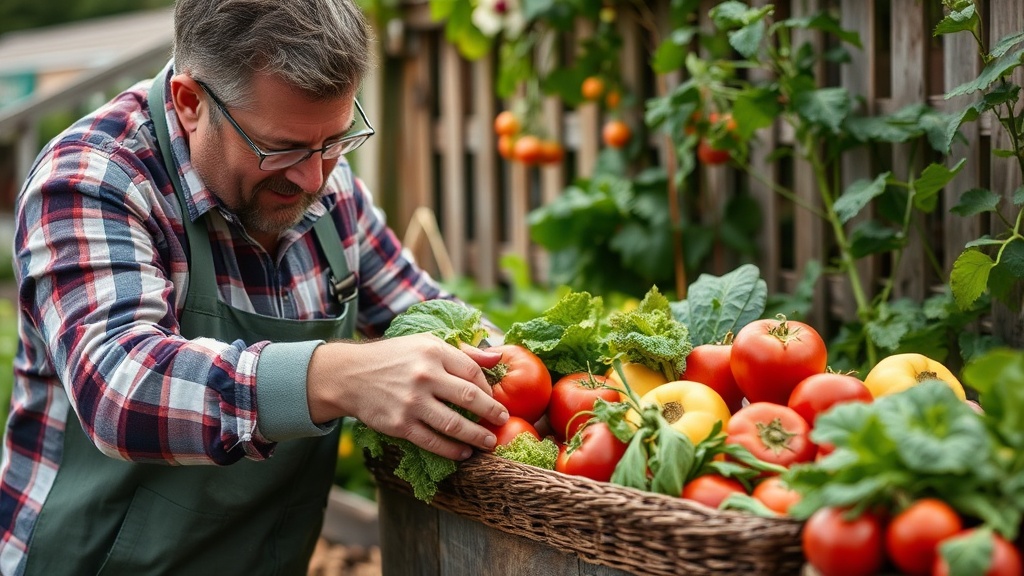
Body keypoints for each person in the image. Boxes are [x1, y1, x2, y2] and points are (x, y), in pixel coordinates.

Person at [1, 0, 511, 574]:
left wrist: (516, 371)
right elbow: (121, 389)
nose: (314, 177)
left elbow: (425, 309)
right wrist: (339, 376)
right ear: (190, 103)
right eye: (281, 147)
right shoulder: (93, 177)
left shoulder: (327, 180)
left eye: (335, 140)